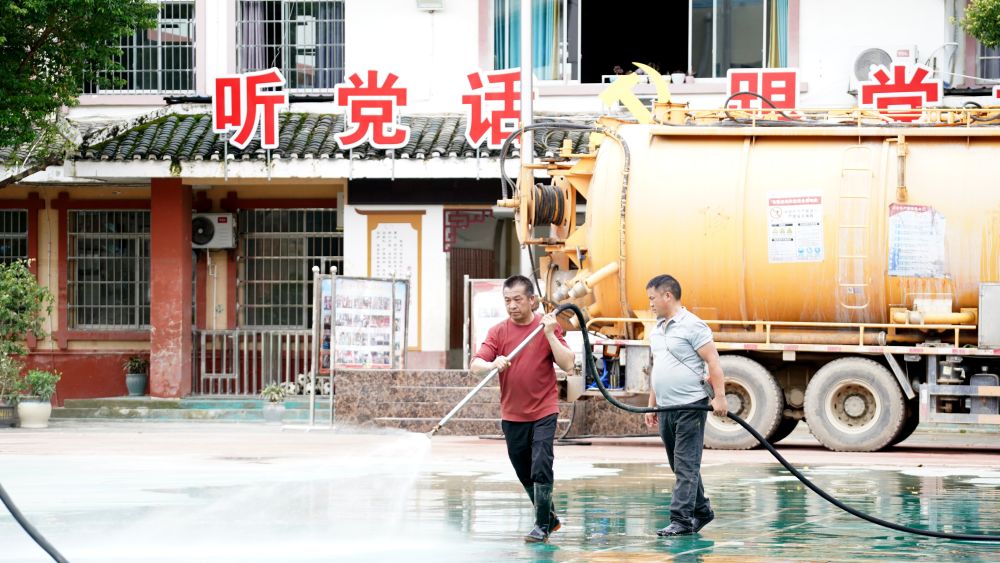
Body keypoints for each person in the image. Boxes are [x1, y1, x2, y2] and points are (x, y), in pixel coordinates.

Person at [470, 274, 576, 543]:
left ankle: (541, 525)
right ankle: (549, 517)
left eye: (517, 299)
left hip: (543, 410)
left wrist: (550, 333)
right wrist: (492, 364)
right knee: (523, 470)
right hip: (513, 414)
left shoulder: (546, 328)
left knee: (541, 464)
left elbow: (567, 364)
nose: (512, 305)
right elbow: (475, 365)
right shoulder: (498, 332)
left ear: (532, 300)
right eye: (507, 300)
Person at [643, 274, 728, 537]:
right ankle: (702, 510)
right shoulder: (656, 330)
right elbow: (658, 367)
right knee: (678, 463)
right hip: (666, 407)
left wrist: (720, 397)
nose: (650, 304)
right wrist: (652, 404)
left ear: (667, 296)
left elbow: (713, 361)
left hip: (691, 406)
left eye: (653, 298)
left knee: (685, 464)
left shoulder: (693, 326)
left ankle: (681, 519)